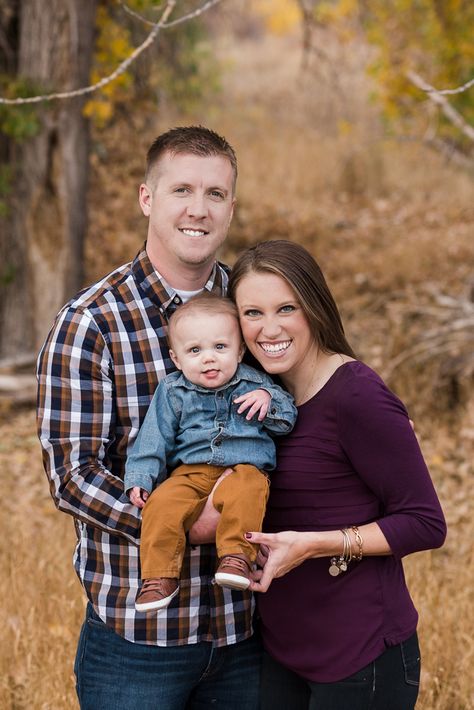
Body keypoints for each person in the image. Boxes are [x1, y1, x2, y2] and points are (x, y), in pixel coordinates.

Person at [36, 126, 264, 710]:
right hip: (138, 643)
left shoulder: (254, 307)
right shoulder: (91, 323)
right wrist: (186, 522)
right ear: (147, 198)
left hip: (251, 633)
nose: (198, 209)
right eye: (181, 190)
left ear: (232, 207)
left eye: (215, 194)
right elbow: (72, 476)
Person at [223, 239, 446, 710]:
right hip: (282, 650)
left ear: (316, 308)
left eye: (287, 308)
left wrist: (315, 544)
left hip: (360, 658)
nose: (270, 329)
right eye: (252, 313)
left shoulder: (357, 396)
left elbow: (426, 522)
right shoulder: (256, 397)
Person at [124, 292, 297, 611]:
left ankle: (235, 559)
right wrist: (140, 478)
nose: (209, 358)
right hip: (190, 473)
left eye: (220, 347)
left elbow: (287, 421)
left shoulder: (255, 383)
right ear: (176, 359)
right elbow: (153, 439)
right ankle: (159, 577)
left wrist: (268, 401)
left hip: (245, 467)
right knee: (161, 504)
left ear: (240, 350)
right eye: (195, 350)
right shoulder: (173, 390)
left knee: (249, 491)